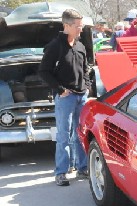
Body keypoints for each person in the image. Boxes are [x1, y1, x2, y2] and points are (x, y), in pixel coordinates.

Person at [38, 9, 90, 186]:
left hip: (81, 96)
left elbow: (86, 69)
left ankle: (82, 168)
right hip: (65, 98)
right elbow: (43, 72)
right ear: (66, 26)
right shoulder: (55, 47)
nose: (80, 30)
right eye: (77, 26)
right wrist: (60, 90)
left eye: (81, 26)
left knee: (80, 134)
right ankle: (61, 172)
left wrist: (87, 87)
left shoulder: (80, 45)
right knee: (63, 136)